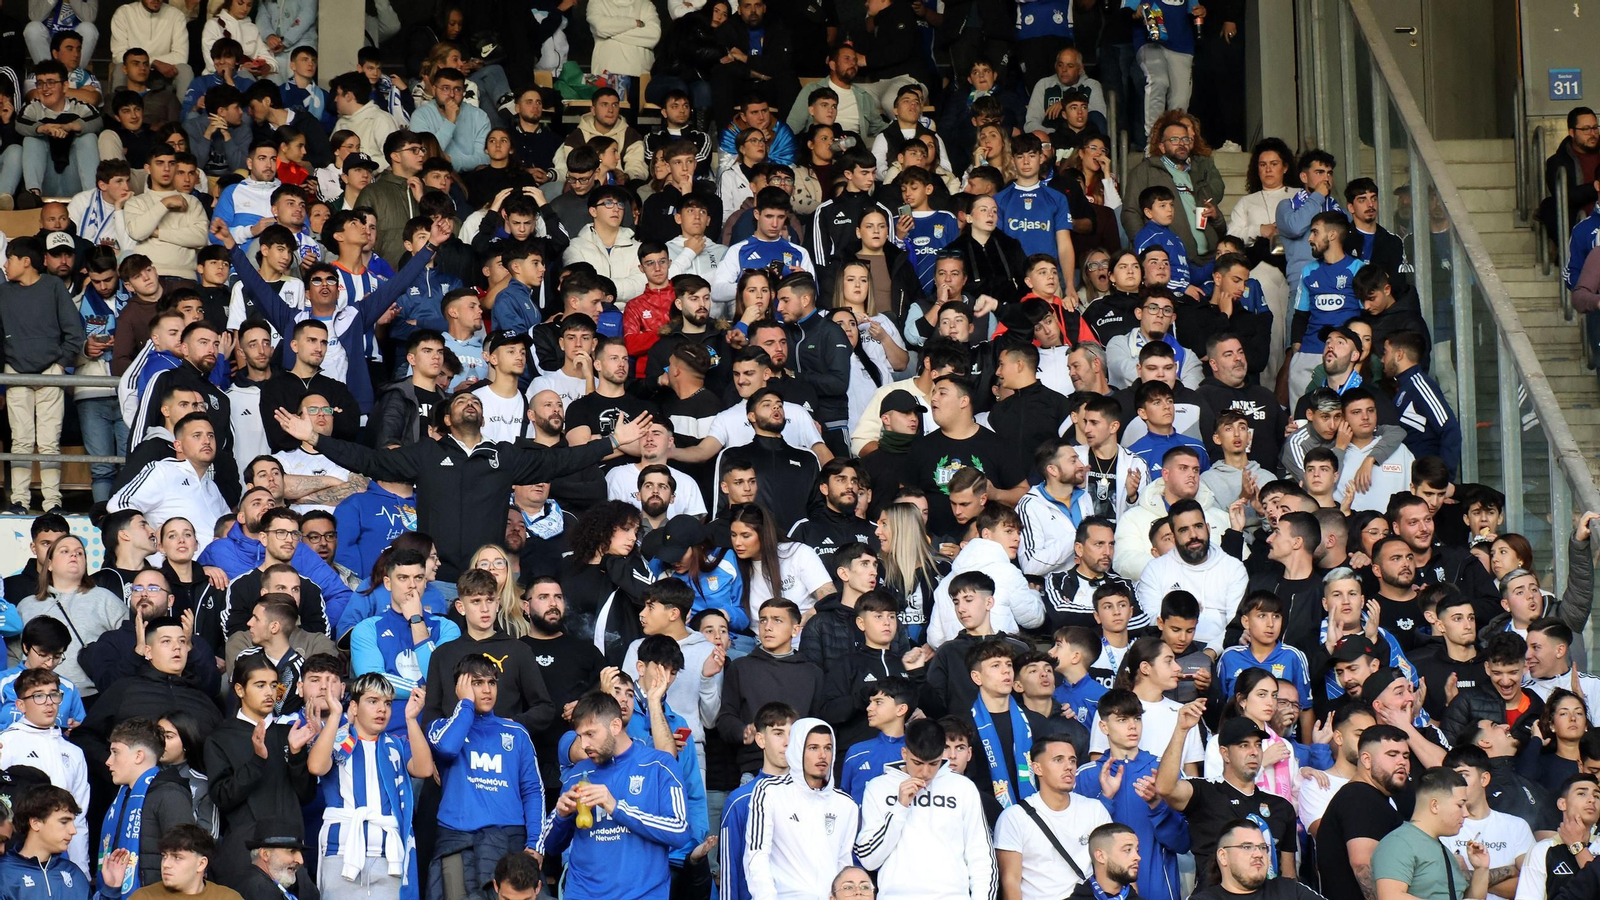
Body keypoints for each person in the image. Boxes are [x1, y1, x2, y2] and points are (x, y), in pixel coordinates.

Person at [536, 691, 689, 900]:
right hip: (582, 894)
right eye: (580, 736)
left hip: (642, 895)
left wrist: (616, 808)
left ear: (615, 726)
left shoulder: (659, 765)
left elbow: (680, 831)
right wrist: (561, 815)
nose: (584, 745)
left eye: (591, 734)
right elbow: (550, 845)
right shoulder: (578, 774)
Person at [425, 653, 543, 895]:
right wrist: (465, 704)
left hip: (509, 837)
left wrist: (535, 844)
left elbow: (533, 790)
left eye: (491, 682)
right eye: (477, 683)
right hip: (457, 839)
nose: (487, 690)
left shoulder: (516, 732)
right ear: (460, 688)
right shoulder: (440, 728)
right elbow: (447, 748)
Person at [1156, 705, 1298, 888]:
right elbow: (1165, 788)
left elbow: (1288, 875)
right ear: (1225, 753)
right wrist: (1181, 730)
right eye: (1244, 745)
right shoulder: (1204, 792)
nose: (1254, 751)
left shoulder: (1281, 806)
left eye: (1257, 745)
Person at [852, 717, 993, 900]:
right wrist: (899, 807)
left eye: (933, 764)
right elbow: (868, 859)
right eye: (918, 763)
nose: (925, 772)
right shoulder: (878, 787)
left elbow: (981, 855)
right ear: (904, 753)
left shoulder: (963, 788)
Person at [0, 236, 87, 515]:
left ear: (26, 262)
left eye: (10, 258)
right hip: (15, 373)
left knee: (50, 441)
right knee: (21, 440)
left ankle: (52, 502)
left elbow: (74, 331)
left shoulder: (52, 287)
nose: (5, 265)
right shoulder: (3, 292)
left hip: (51, 371)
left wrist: (61, 364)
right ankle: (20, 501)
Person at [993, 732, 1112, 899]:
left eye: (1072, 760)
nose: (1069, 766)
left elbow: (1111, 867)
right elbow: (1010, 881)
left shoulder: (1094, 809)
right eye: (1058, 760)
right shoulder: (1014, 817)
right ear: (1037, 768)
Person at [0, 667, 90, 870]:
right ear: (20, 705)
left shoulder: (74, 752)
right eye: (38, 696)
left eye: (54, 695)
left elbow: (79, 818)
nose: (49, 702)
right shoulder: (6, 742)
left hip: (61, 861)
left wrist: (81, 869)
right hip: (14, 856)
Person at [1315, 722, 1412, 899]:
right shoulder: (1359, 796)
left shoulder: (1371, 798)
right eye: (1392, 754)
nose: (1402, 762)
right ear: (1366, 760)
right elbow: (1363, 864)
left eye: (1406, 756)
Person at [1372, 766, 1493, 900]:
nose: (1465, 813)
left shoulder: (1444, 851)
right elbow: (1390, 897)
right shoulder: (1398, 843)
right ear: (1435, 805)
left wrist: (1481, 869)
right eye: (1460, 805)